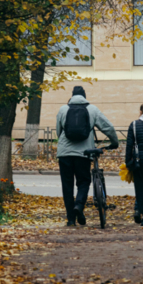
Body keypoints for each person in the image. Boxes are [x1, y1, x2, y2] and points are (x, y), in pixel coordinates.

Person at [56, 86, 119, 226]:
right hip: (84, 154)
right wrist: (114, 142)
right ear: (84, 96)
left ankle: (71, 220)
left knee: (67, 185)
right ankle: (79, 205)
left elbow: (59, 131)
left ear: (72, 96)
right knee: (84, 182)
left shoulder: (63, 109)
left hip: (65, 154)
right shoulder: (92, 109)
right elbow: (108, 127)